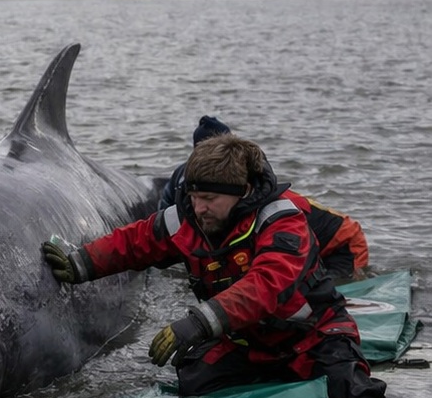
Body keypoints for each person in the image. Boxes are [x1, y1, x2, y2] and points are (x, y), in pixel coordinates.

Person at [43, 133, 386, 398]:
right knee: (193, 381)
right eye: (193, 196)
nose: (198, 207)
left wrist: (196, 323)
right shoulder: (185, 219)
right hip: (247, 344)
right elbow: (134, 243)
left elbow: (265, 286)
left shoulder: (282, 222)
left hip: (311, 339)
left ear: (243, 193)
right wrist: (79, 264)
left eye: (209, 198)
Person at [158, 116, 369, 284]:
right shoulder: (188, 179)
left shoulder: (270, 207)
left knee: (325, 289)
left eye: (208, 198)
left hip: (343, 241)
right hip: (312, 240)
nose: (199, 207)